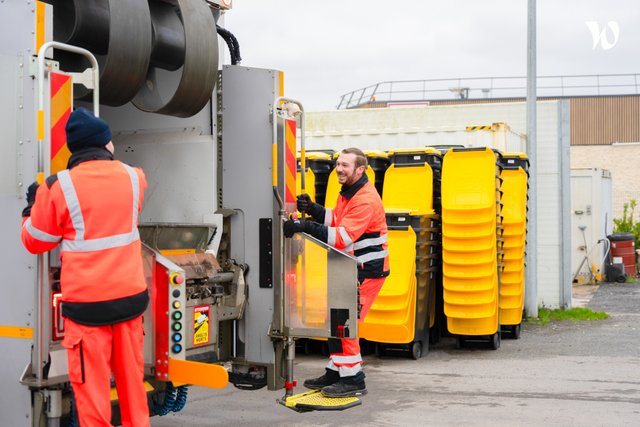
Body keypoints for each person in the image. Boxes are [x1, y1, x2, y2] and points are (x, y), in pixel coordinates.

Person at [21, 108, 150, 426]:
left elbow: (37, 240)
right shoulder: (135, 177)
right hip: (130, 304)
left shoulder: (58, 186)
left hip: (88, 312)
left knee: (93, 400)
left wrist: (32, 206)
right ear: (107, 144)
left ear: (74, 149)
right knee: (134, 393)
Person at [283, 147, 389, 398]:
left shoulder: (365, 199)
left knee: (346, 323)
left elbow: (341, 237)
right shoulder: (350, 191)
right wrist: (315, 209)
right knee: (336, 320)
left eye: (345, 165)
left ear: (360, 169)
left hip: (366, 271)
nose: (339, 169)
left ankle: (353, 380)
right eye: (338, 164)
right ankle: (336, 371)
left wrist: (304, 226)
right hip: (350, 268)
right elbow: (338, 218)